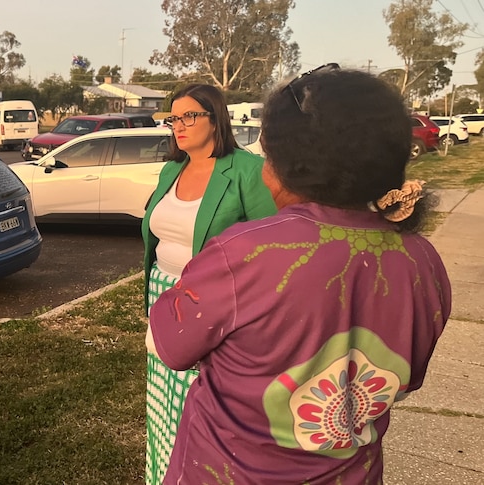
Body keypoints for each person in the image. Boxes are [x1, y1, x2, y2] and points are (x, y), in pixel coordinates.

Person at [148, 66, 451, 483]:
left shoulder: (245, 253)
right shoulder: (424, 262)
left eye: (267, 154)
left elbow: (169, 346)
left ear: (290, 163)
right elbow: (407, 376)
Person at [142, 84, 276, 484]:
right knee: (164, 398)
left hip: (213, 303)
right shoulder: (172, 169)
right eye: (172, 118)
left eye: (187, 116)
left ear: (215, 118)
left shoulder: (246, 170)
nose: (177, 126)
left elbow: (270, 245)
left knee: (198, 401)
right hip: (163, 295)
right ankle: (162, 471)